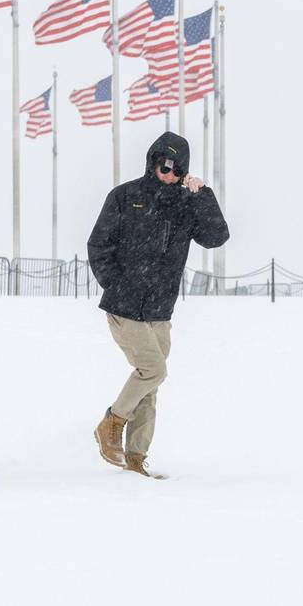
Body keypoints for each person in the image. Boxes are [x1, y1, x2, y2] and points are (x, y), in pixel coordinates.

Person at [87, 131, 229, 478]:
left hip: (160, 311)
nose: (169, 174)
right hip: (124, 306)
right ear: (152, 162)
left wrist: (203, 197)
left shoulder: (186, 203)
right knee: (153, 371)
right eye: (164, 166)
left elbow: (216, 237)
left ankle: (135, 458)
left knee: (149, 384)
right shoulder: (125, 196)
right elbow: (98, 245)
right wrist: (117, 285)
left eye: (177, 169)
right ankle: (111, 422)